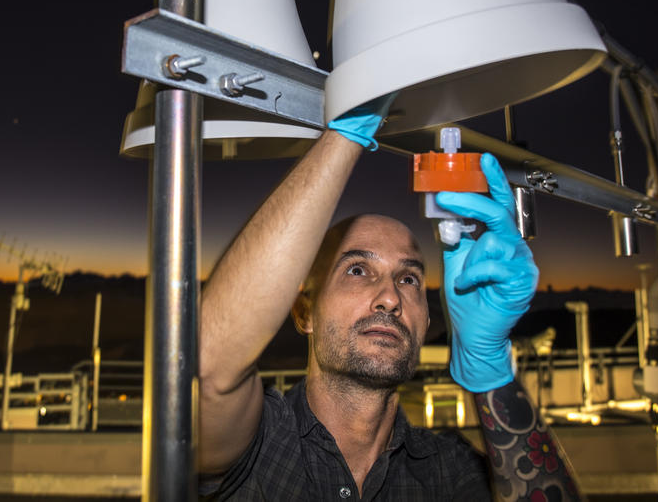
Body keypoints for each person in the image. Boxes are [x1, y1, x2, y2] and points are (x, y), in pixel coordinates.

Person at [198, 97, 583, 500]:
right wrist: (342, 137)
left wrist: (491, 371)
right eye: (357, 270)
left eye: (409, 278)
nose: (389, 298)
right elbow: (208, 369)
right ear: (304, 311)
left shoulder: (448, 470)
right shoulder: (257, 441)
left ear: (426, 323)